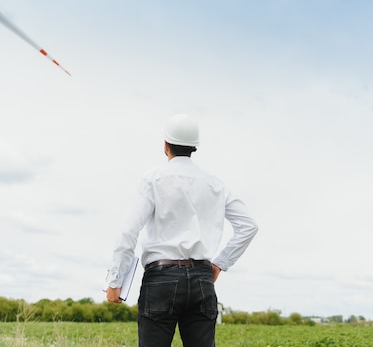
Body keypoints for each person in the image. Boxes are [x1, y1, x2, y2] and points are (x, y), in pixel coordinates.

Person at [105, 113, 258, 347]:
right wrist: (220, 264)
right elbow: (249, 225)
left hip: (160, 279)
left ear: (165, 145)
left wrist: (115, 280)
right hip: (202, 280)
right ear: (195, 147)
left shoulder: (153, 179)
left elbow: (128, 231)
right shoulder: (215, 183)